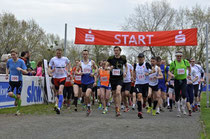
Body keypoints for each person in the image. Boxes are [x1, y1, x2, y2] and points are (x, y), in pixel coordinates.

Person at [167, 51, 191, 117]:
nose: (179, 57)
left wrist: (189, 74)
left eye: (180, 56)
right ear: (176, 57)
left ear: (182, 56)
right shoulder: (173, 63)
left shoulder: (185, 62)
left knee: (184, 94)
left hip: (183, 80)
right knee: (177, 96)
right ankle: (178, 110)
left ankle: (183, 107)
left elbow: (189, 67)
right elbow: (169, 71)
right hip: (177, 80)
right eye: (178, 56)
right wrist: (172, 74)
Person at [106, 46, 127, 117]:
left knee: (118, 92)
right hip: (112, 78)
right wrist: (109, 68)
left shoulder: (123, 58)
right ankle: (116, 107)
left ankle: (119, 107)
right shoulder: (111, 58)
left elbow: (126, 66)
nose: (116, 52)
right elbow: (106, 67)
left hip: (120, 78)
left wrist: (125, 72)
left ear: (120, 51)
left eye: (117, 50)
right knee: (114, 94)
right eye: (115, 50)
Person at [5, 49, 28, 115]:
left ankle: (18, 111)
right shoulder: (9, 61)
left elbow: (26, 72)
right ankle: (16, 99)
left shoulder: (21, 62)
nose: (13, 56)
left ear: (17, 54)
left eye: (14, 54)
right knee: (10, 94)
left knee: (18, 96)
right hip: (11, 80)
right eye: (12, 55)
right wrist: (7, 74)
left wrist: (21, 69)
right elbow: (7, 67)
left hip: (19, 81)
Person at [48, 48, 70, 114]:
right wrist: (49, 73)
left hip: (63, 77)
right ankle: (57, 104)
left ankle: (59, 107)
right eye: (57, 53)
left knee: (61, 91)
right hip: (55, 77)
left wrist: (68, 71)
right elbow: (49, 67)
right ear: (56, 53)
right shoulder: (53, 59)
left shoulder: (65, 59)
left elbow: (69, 64)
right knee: (57, 93)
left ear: (61, 53)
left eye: (59, 53)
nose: (58, 54)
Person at [77, 50, 98, 116]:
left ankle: (89, 107)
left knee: (87, 94)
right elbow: (76, 72)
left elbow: (97, 69)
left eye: (86, 54)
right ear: (82, 55)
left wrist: (93, 73)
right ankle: (88, 105)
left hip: (90, 81)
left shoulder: (91, 62)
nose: (85, 56)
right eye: (84, 54)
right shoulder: (80, 63)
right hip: (83, 81)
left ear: (88, 55)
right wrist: (80, 73)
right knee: (84, 95)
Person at [133, 53, 152, 119]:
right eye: (139, 58)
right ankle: (140, 111)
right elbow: (134, 72)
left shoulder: (146, 64)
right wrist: (133, 77)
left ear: (144, 58)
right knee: (139, 96)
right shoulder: (136, 65)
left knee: (145, 97)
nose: (140, 59)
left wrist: (148, 73)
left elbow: (153, 70)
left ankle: (144, 103)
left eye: (141, 57)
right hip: (138, 83)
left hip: (145, 83)